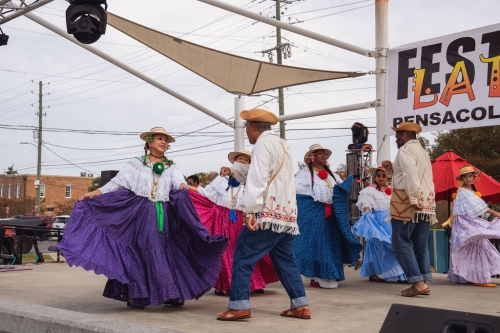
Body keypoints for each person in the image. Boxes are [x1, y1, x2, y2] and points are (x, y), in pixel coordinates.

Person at [49, 127, 228, 308]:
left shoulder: (171, 166)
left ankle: (170, 292)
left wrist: (183, 187)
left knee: (164, 249)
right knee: (144, 250)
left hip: (164, 214)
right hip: (140, 212)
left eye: (166, 140)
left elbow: (179, 183)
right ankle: (138, 294)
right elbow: (117, 183)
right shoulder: (136, 163)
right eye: (159, 138)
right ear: (149, 142)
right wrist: (95, 193)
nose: (163, 142)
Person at [217, 108, 310, 321]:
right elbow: (269, 175)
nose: (247, 133)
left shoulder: (261, 145)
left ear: (253, 126)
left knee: (242, 256)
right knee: (286, 261)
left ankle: (239, 305)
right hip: (284, 215)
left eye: (247, 128)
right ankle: (300, 305)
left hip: (266, 213)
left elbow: (258, 178)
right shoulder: (282, 144)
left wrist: (250, 210)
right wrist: (235, 170)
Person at [187, 149, 278, 296]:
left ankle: (252, 283)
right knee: (224, 252)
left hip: (243, 218)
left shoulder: (253, 181)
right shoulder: (221, 179)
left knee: (245, 250)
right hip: (221, 217)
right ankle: (223, 284)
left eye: (246, 160)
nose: (242, 162)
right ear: (234, 162)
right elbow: (206, 193)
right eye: (239, 159)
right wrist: (187, 188)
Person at [294, 144, 362, 289]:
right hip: (314, 215)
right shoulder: (304, 174)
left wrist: (348, 182)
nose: (324, 156)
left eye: (325, 154)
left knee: (330, 243)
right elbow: (300, 195)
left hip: (332, 216)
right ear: (311, 157)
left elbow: (340, 192)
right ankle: (318, 276)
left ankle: (327, 276)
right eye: (320, 153)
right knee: (315, 244)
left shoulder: (333, 175)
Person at [383, 122, 437, 297]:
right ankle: (423, 280)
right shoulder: (422, 151)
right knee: (420, 244)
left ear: (404, 135)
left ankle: (417, 282)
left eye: (398, 135)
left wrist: (413, 197)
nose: (397, 139)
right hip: (426, 202)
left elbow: (410, 173)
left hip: (407, 201)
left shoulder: (405, 150)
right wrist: (391, 170)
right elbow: (409, 173)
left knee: (400, 242)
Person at [447, 166, 500, 287]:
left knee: (479, 246)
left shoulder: (470, 192)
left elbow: (478, 208)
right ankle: (478, 278)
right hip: (465, 223)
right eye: (465, 176)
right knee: (475, 246)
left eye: (470, 176)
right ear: (462, 178)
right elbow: (482, 208)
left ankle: (472, 276)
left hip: (470, 221)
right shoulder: (463, 192)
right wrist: (496, 213)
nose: (468, 178)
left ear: (474, 177)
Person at [352, 166, 406, 282]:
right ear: (375, 177)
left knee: (392, 246)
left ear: (388, 177)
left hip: (392, 221)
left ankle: (395, 274)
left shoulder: (393, 190)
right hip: (377, 222)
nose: (381, 178)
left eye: (384, 175)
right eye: (378, 175)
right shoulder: (369, 191)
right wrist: (368, 216)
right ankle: (383, 274)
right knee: (379, 245)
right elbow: (366, 205)